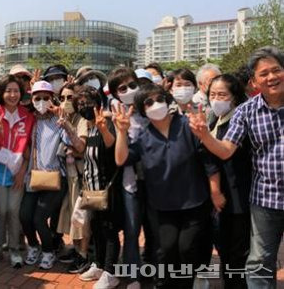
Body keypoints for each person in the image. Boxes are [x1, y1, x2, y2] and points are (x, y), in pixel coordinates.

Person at [188, 46, 284, 289]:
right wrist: (204, 136)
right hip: (266, 199)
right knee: (260, 261)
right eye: (264, 74)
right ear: (254, 82)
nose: (271, 77)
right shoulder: (246, 111)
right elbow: (226, 150)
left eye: (276, 70)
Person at [114, 85, 219, 289]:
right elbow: (122, 159)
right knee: (167, 249)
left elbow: (209, 162)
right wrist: (121, 132)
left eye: (159, 99)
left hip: (194, 201)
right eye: (148, 102)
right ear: (142, 110)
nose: (155, 105)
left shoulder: (187, 126)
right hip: (162, 206)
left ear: (168, 100)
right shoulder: (144, 137)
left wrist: (215, 192)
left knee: (187, 248)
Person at [20, 81, 78, 270]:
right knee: (25, 216)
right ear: (32, 99)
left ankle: (48, 251)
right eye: (38, 98)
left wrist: (65, 122)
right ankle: (34, 247)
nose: (42, 101)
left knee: (39, 218)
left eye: (46, 98)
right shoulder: (30, 119)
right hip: (33, 177)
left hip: (55, 177)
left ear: (52, 99)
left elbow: (70, 142)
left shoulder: (57, 120)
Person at [104, 67, 151, 289]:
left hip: (155, 183)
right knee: (132, 230)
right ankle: (133, 275)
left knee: (154, 229)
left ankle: (152, 268)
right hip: (130, 182)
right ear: (115, 93)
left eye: (133, 85)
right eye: (123, 88)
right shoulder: (116, 115)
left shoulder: (151, 106)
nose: (130, 90)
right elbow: (117, 154)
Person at [207, 74, 252, 289]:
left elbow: (225, 154)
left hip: (237, 196)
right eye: (212, 94)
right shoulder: (214, 119)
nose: (216, 99)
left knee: (237, 253)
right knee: (225, 249)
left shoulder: (239, 120)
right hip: (220, 196)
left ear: (234, 97)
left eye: (222, 94)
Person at [0, 75, 34, 268]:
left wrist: (22, 171)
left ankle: (14, 249)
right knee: (0, 210)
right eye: (8, 91)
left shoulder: (27, 117)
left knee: (14, 210)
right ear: (1, 93)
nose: (12, 95)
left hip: (17, 173)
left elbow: (29, 149)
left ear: (21, 94)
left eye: (16, 91)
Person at [77, 86, 122, 289]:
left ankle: (111, 272)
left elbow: (112, 146)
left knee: (109, 230)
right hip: (91, 189)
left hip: (108, 189)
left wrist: (104, 128)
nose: (83, 106)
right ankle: (99, 264)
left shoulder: (107, 122)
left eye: (87, 102)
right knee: (96, 228)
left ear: (98, 101)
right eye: (79, 103)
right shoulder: (91, 125)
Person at [53, 82, 90, 274]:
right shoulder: (64, 117)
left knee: (80, 217)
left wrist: (67, 127)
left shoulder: (81, 119)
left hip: (81, 176)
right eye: (62, 98)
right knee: (71, 215)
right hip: (69, 177)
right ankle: (77, 250)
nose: (66, 102)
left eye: (70, 97)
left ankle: (83, 255)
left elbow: (81, 146)